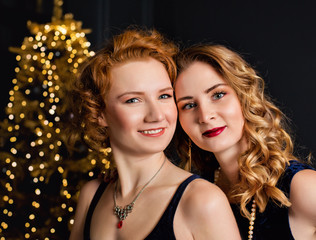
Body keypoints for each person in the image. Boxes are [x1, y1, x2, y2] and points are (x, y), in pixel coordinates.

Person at [68, 28, 240, 240]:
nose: (157, 115)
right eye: (133, 100)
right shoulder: (92, 195)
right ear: (99, 113)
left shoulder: (202, 201)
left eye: (164, 96)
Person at [173, 44, 316, 240]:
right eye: (189, 105)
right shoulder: (203, 190)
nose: (205, 116)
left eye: (218, 95)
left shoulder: (301, 187)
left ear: (244, 96)